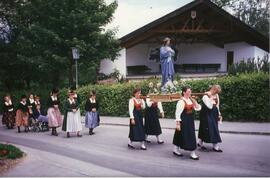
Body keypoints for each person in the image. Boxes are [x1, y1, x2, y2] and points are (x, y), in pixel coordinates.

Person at [173, 87, 201, 160]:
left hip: (190, 120)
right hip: (184, 121)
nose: (190, 93)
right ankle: (191, 152)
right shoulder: (181, 101)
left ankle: (189, 152)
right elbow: (177, 113)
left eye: (190, 91)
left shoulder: (190, 100)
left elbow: (198, 108)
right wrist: (178, 124)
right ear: (184, 92)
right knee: (182, 134)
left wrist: (194, 100)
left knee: (185, 134)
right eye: (188, 91)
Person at [198, 85, 223, 152]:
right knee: (205, 128)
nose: (216, 94)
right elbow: (209, 106)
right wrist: (211, 97)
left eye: (217, 92)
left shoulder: (216, 95)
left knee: (214, 128)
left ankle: (214, 146)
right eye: (216, 92)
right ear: (213, 89)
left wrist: (219, 114)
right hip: (206, 114)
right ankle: (201, 143)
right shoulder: (205, 96)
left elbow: (217, 105)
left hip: (214, 113)